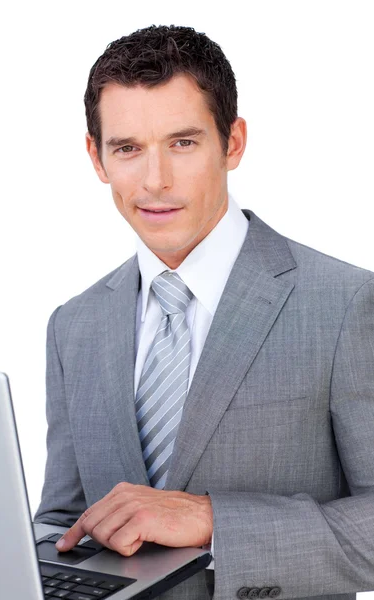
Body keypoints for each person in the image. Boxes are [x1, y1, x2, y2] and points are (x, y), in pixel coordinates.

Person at [34, 24, 374, 600]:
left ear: (233, 142)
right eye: (128, 149)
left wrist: (215, 520)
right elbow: (66, 522)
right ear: (96, 157)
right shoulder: (75, 325)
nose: (155, 180)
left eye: (183, 143)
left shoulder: (344, 304)